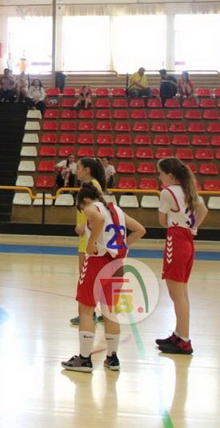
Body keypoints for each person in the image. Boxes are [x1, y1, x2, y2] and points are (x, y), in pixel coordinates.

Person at [61, 183, 146, 372]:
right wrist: (123, 245)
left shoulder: (93, 208)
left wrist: (91, 242)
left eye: (82, 208)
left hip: (97, 261)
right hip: (117, 263)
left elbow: (98, 218)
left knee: (86, 309)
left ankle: (84, 359)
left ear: (85, 200)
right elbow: (141, 230)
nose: (84, 212)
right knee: (110, 311)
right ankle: (112, 358)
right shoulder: (116, 210)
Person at [156, 157, 209, 355]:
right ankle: (179, 334)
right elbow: (203, 210)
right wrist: (194, 226)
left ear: (170, 175)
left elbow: (162, 221)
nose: (159, 177)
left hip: (176, 239)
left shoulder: (167, 192)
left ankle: (184, 340)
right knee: (182, 292)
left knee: (176, 295)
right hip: (187, 240)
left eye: (161, 173)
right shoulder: (189, 189)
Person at [70, 157, 108, 326]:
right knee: (91, 276)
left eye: (78, 167)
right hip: (87, 236)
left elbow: (98, 211)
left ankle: (88, 313)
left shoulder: (92, 186)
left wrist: (83, 224)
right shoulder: (91, 185)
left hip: (88, 237)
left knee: (87, 277)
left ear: (87, 170)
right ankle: (101, 312)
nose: (75, 170)